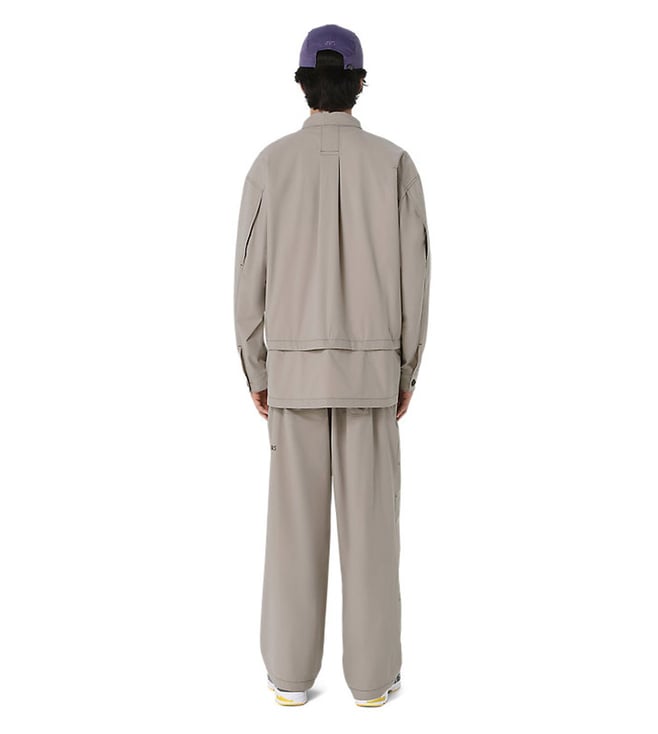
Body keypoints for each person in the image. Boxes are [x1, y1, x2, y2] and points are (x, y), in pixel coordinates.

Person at [233, 23, 431, 707]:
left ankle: (290, 679)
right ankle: (372, 682)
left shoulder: (270, 165)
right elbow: (416, 278)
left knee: (293, 533)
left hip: (292, 378)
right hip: (372, 378)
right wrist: (405, 370)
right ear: (359, 83)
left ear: (302, 84)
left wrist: (258, 370)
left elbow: (247, 279)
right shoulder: (395, 164)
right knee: (373, 532)